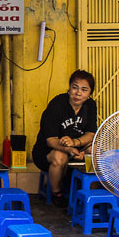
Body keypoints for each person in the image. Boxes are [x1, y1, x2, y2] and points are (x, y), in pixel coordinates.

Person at [32, 70, 98, 208]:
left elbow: (91, 134)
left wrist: (76, 143)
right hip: (48, 151)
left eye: (84, 90)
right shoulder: (57, 105)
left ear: (89, 93)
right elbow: (51, 140)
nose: (78, 93)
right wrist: (68, 149)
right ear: (69, 88)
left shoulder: (90, 105)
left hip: (75, 147)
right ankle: (57, 192)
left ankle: (92, 191)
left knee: (94, 150)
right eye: (75, 87)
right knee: (59, 156)